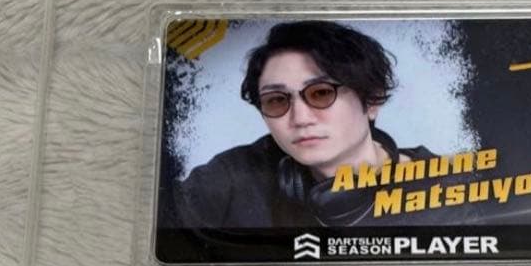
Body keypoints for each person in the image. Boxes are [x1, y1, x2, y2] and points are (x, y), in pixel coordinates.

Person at [168, 20, 438, 228]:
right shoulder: (232, 177)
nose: (300, 118)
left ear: (372, 100)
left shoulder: (447, 189)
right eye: (276, 100)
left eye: (321, 93)